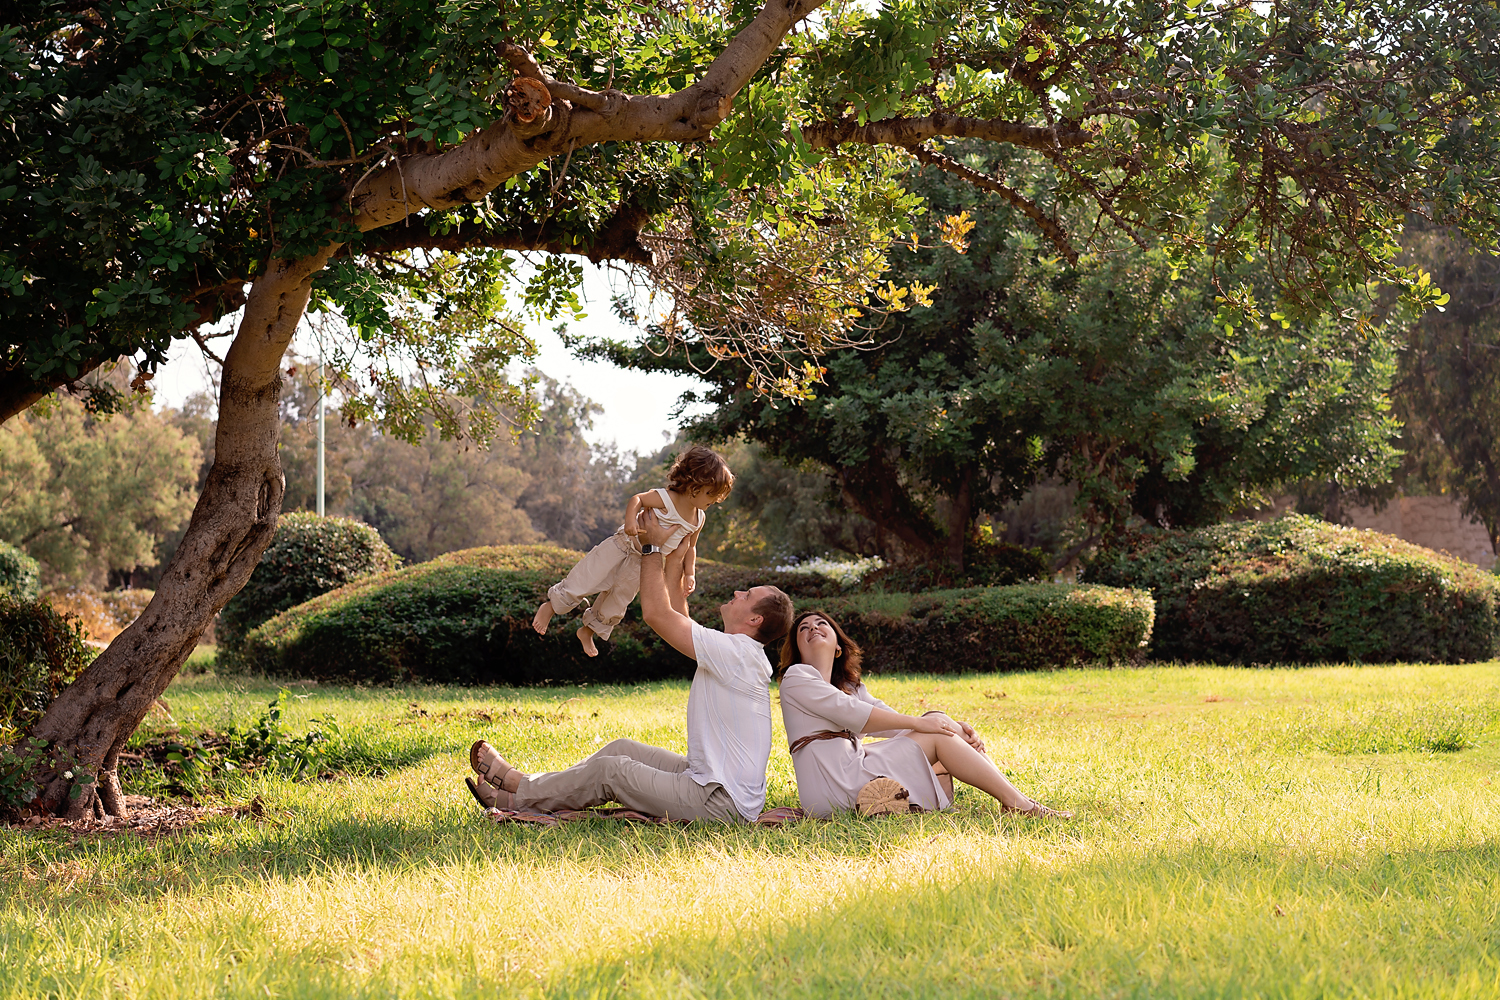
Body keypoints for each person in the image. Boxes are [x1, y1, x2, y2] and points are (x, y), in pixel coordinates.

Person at [467, 507, 796, 822]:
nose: (738, 592)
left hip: (720, 802)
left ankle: (518, 793)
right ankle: (533, 787)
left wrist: (651, 546)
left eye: (748, 594)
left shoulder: (739, 653)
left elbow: (656, 615)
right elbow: (679, 620)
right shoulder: (739, 652)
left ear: (755, 618)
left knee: (612, 772)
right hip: (712, 785)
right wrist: (677, 560)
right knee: (621, 748)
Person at [776, 609, 1071, 819]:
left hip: (852, 772)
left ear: (838, 646)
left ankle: (1004, 796)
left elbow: (892, 724)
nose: (812, 628)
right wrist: (926, 724)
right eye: (804, 629)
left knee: (935, 722)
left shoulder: (851, 687)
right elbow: (855, 714)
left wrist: (953, 727)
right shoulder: (798, 677)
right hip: (833, 785)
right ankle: (1018, 804)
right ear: (798, 649)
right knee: (932, 731)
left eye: (820, 624)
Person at [533, 444, 733, 656]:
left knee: (618, 601)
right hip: (622, 546)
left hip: (643, 564)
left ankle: (588, 631)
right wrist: (630, 521)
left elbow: (691, 547)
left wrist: (690, 573)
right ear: (694, 485)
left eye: (718, 496)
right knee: (587, 578)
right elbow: (637, 499)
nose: (715, 500)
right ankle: (551, 606)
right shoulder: (667, 498)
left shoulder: (699, 518)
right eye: (711, 494)